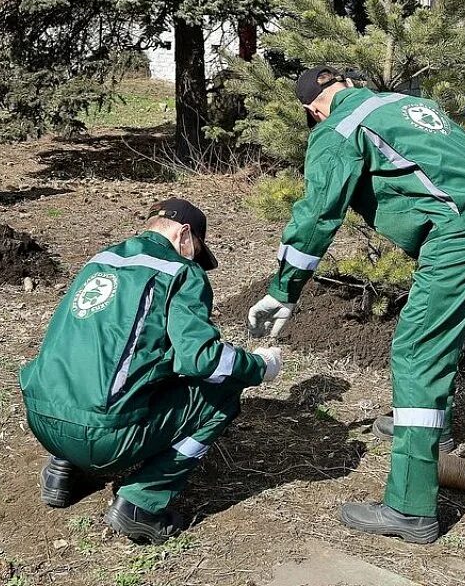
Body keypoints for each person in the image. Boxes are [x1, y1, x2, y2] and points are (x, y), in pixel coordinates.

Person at [247, 66, 465, 545]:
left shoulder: (338, 130)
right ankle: (430, 426)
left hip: (463, 229)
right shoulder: (397, 104)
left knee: (417, 349)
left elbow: (316, 216)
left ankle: (411, 508)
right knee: (439, 329)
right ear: (348, 85)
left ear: (314, 109)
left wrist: (283, 290)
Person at [19, 198, 283, 544]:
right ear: (185, 236)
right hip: (102, 437)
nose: (194, 260)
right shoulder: (181, 272)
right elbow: (201, 359)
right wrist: (259, 366)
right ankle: (141, 505)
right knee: (222, 394)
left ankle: (62, 471)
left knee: (92, 363)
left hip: (41, 419)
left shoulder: (101, 260)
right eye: (196, 251)